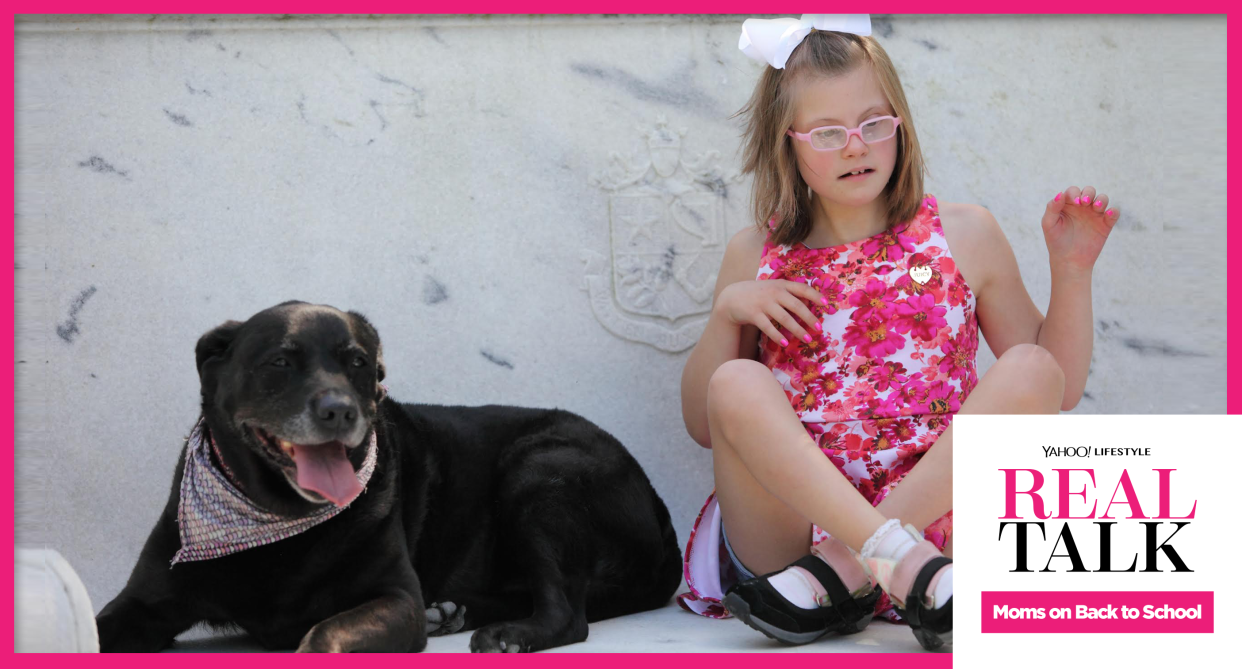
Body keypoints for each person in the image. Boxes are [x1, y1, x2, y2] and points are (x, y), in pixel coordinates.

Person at [676, 14, 1119, 651]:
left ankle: (858, 565)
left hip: (943, 531)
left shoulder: (965, 234)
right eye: (828, 133)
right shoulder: (757, 254)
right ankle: (879, 565)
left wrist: (1071, 272)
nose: (855, 146)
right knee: (736, 380)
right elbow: (703, 421)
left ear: (900, 127)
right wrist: (728, 314)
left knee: (1029, 367)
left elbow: (1058, 388)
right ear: (788, 143)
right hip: (790, 541)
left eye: (873, 125)